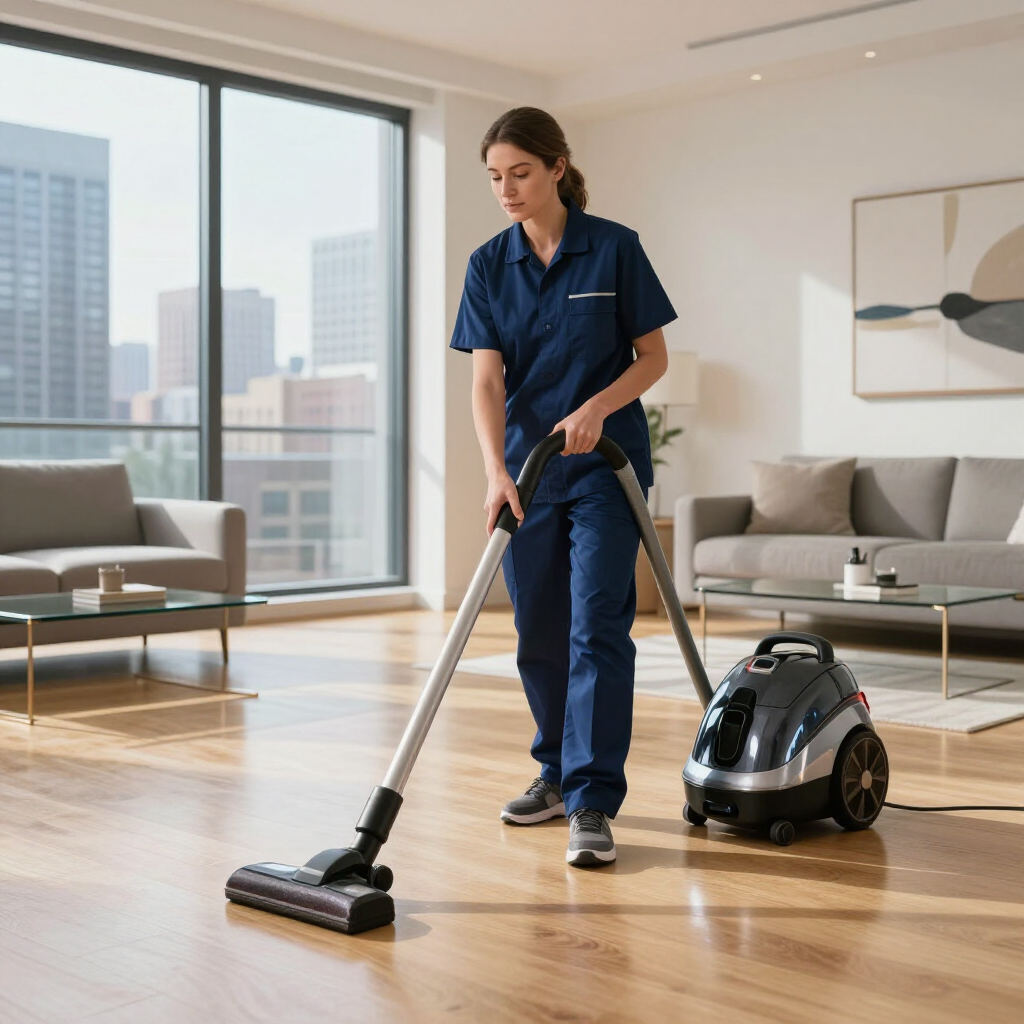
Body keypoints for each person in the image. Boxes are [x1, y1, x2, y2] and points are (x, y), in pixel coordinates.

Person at [450, 107, 676, 867]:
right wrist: (493, 470)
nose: (506, 189)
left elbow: (652, 359)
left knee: (596, 630)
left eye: (519, 173)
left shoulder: (613, 249)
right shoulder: (489, 265)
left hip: (606, 471)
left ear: (555, 167)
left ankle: (590, 801)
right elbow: (486, 381)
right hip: (526, 476)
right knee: (537, 631)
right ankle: (551, 771)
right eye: (494, 177)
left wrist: (596, 406)